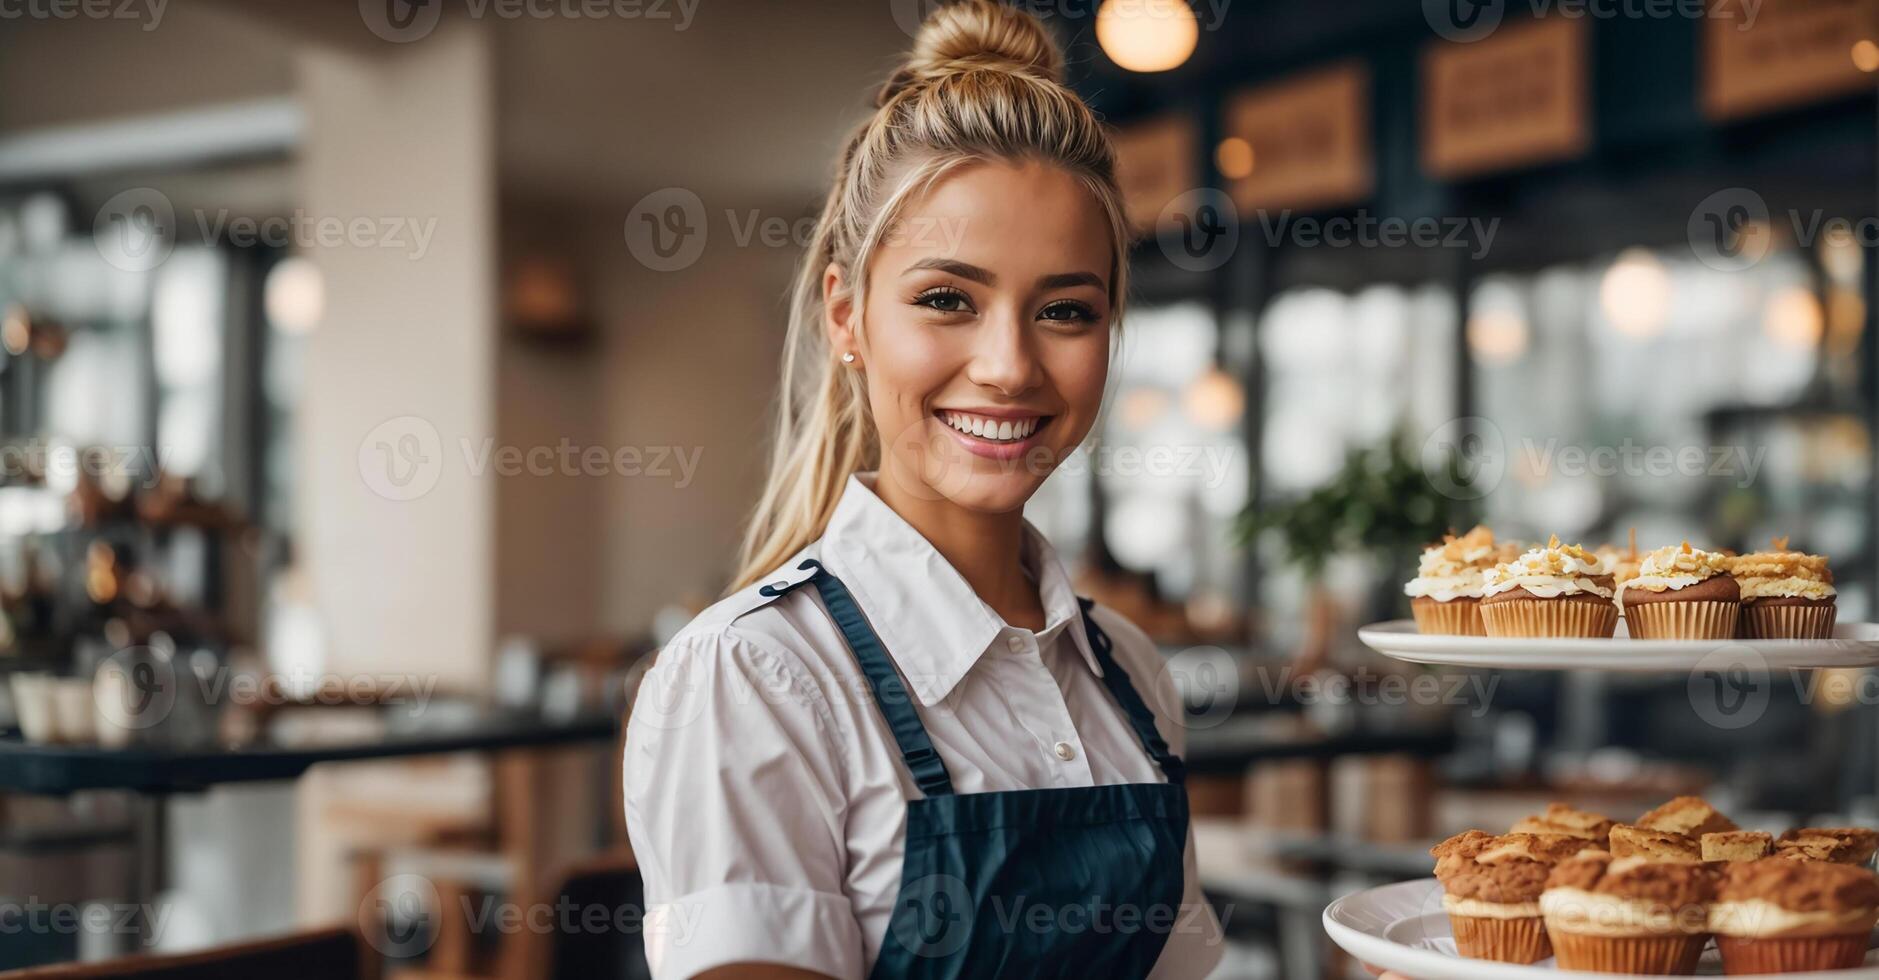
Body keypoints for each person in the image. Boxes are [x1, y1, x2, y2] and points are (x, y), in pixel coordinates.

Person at [623, 2, 1225, 977]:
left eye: (1065, 309)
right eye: (948, 298)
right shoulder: (755, 677)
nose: (1008, 365)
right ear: (846, 314)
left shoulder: (1131, 673)